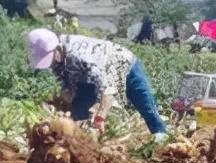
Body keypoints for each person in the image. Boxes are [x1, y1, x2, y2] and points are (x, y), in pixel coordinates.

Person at [25, 28, 167, 137]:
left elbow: (107, 86)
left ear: (56, 49)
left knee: (145, 104)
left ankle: (161, 136)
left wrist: (100, 115)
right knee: (78, 113)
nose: (49, 64)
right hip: (86, 78)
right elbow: (66, 85)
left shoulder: (80, 55)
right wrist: (64, 103)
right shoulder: (56, 60)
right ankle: (83, 142)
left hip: (121, 64)